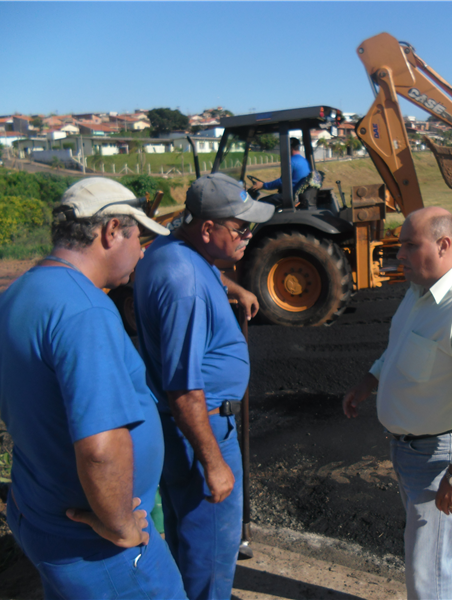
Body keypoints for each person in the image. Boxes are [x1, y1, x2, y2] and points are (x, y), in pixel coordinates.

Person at [0, 177, 187, 599]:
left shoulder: (18, 294)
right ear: (111, 231)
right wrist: (121, 526)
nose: (143, 251)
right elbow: (99, 449)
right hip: (101, 550)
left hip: (43, 516)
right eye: (139, 237)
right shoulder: (86, 311)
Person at [343, 206, 452, 600]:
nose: (398, 254)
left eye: (409, 245)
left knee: (426, 568)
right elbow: (400, 348)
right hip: (410, 451)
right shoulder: (419, 295)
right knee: (439, 554)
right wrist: (372, 378)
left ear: (444, 244)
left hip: (439, 458)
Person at [133, 172, 274, 600]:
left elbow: (200, 267)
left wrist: (232, 288)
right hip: (205, 426)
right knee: (212, 545)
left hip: (183, 430)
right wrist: (213, 462)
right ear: (208, 228)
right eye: (241, 228)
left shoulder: (168, 248)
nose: (249, 235)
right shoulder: (186, 287)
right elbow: (184, 389)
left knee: (184, 530)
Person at [250, 137, 312, 208]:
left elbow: (282, 182)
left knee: (261, 202)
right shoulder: (304, 161)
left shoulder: (290, 162)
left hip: (291, 195)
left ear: (289, 148)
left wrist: (263, 185)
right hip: (297, 194)